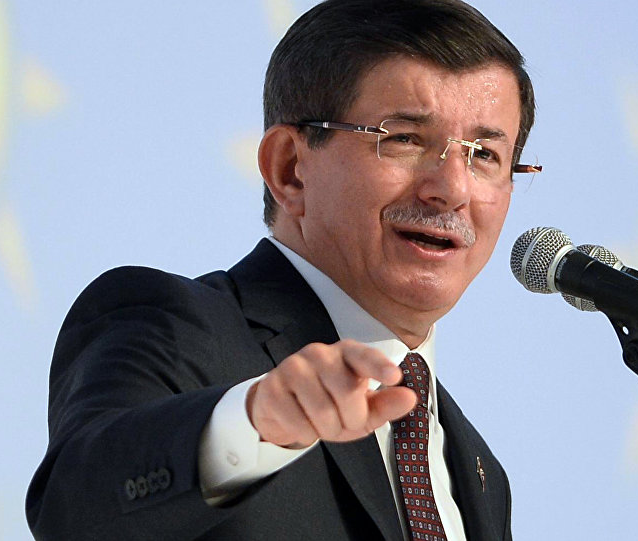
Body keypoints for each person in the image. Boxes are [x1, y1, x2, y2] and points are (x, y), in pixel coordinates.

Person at [26, 0, 538, 539]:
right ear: (290, 170)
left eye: (483, 154)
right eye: (405, 139)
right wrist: (254, 424)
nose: (452, 189)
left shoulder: (480, 473)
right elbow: (73, 509)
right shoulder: (174, 326)